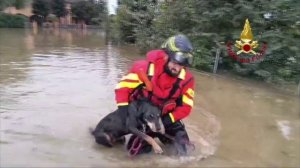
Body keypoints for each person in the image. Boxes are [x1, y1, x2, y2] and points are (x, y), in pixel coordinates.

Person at [115, 34, 195, 155]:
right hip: (145, 119)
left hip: (168, 119)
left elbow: (186, 107)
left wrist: (167, 120)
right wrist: (123, 112)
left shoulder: (187, 80)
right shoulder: (144, 69)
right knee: (135, 154)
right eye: (174, 62)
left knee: (185, 152)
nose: (177, 68)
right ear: (165, 56)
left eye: (181, 65)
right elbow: (122, 88)